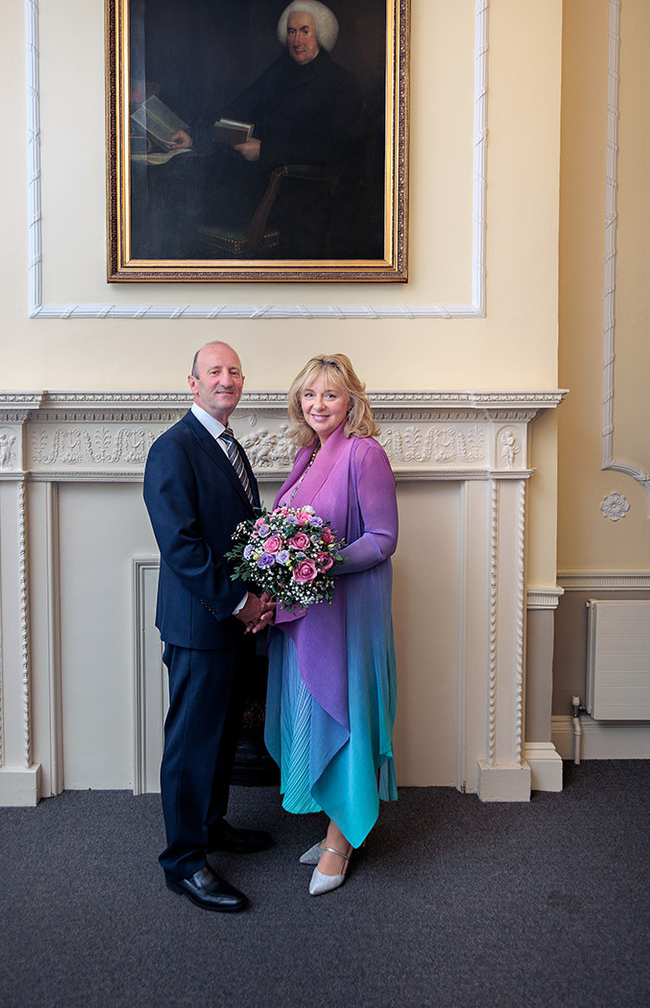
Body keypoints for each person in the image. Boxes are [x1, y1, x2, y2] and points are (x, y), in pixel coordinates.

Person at [143, 341, 275, 913]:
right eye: (215, 372)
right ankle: (184, 862)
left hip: (234, 621)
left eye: (235, 372)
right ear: (191, 383)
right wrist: (238, 602)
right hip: (201, 623)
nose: (227, 380)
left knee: (221, 736)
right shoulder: (173, 449)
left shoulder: (230, 445)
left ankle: (211, 825)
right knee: (191, 743)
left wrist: (266, 590)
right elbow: (181, 547)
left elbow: (244, 530)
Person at [264, 353, 399, 896]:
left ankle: (340, 843)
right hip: (308, 612)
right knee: (314, 715)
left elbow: (384, 539)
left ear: (351, 402)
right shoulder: (306, 455)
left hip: (349, 612)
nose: (318, 404)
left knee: (344, 715)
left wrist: (322, 560)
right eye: (310, 394)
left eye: (331, 395)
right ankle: (332, 826)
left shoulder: (365, 454)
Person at [201, 0, 363, 256]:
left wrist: (264, 151)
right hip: (254, 179)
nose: (297, 41)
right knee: (191, 182)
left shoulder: (341, 84)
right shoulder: (280, 69)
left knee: (197, 203)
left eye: (305, 31)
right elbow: (240, 105)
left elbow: (331, 152)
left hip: (297, 195)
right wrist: (195, 133)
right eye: (291, 31)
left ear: (320, 34)